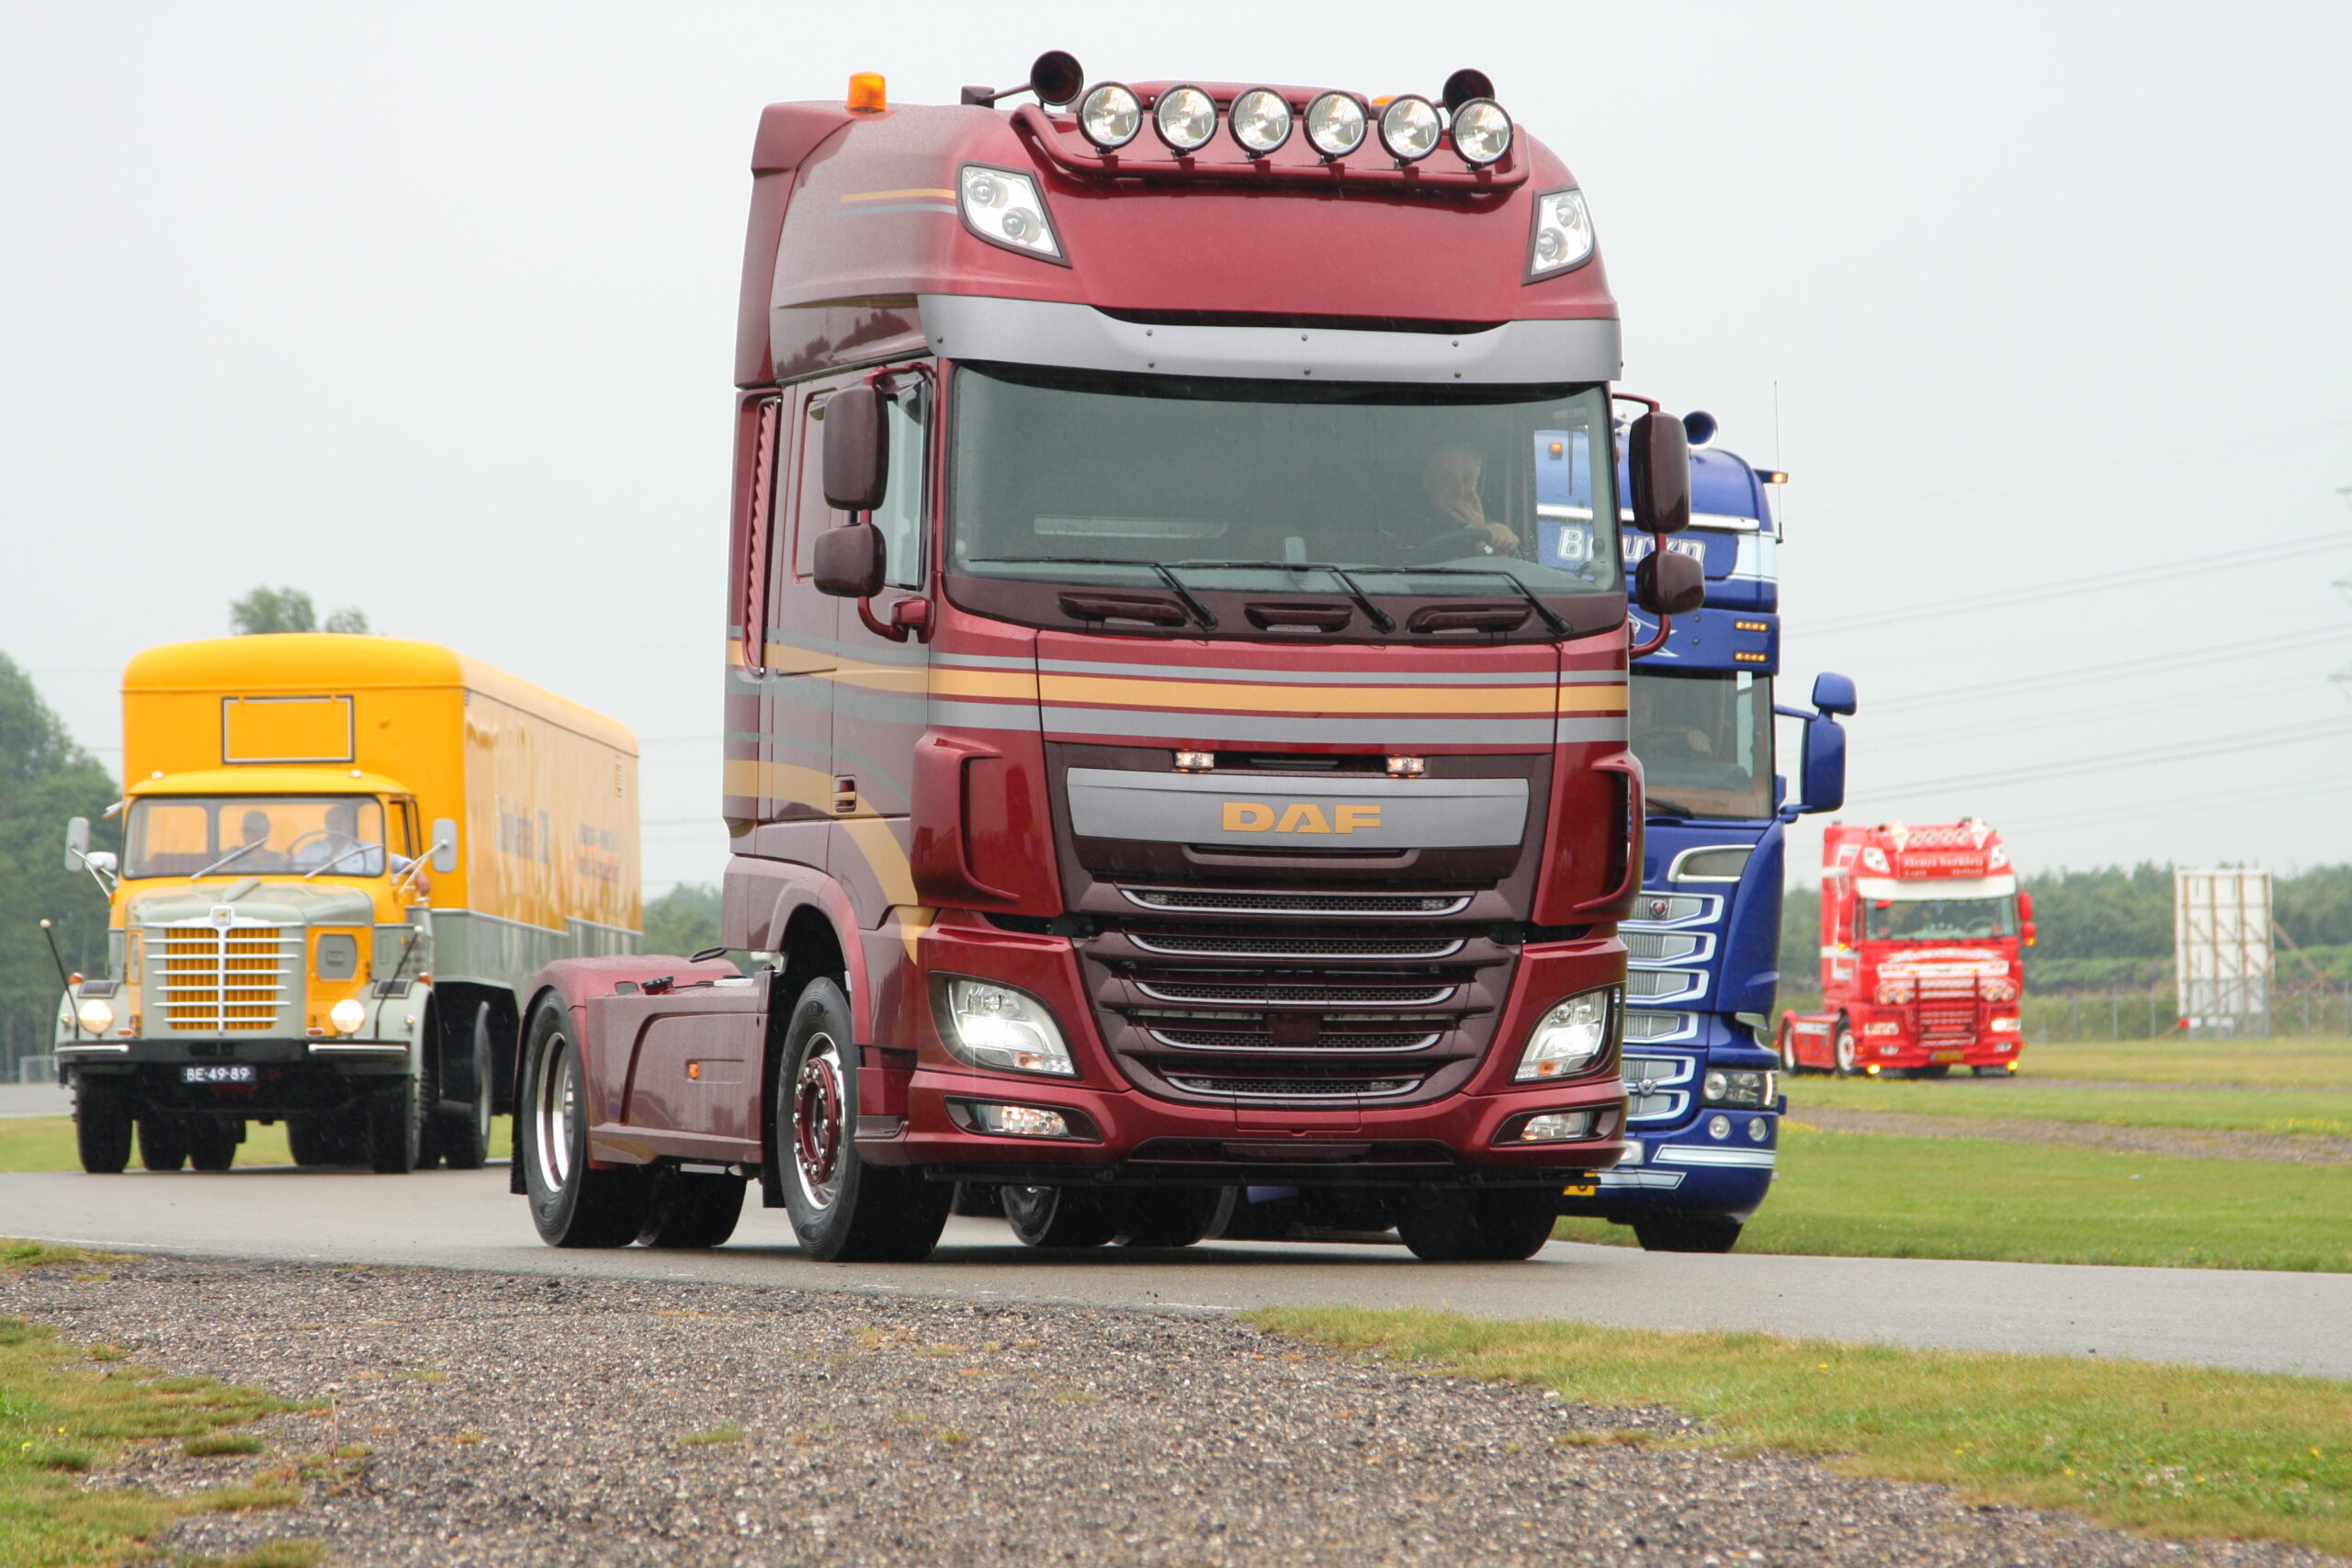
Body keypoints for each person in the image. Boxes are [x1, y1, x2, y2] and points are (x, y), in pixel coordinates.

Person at [1394, 444, 1520, 563]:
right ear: (1428, 481)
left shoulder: (1489, 527)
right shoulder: (1401, 526)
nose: (1459, 489)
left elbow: (1511, 573)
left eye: (1467, 479)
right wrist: (1470, 532)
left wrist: (1485, 540)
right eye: (1448, 478)